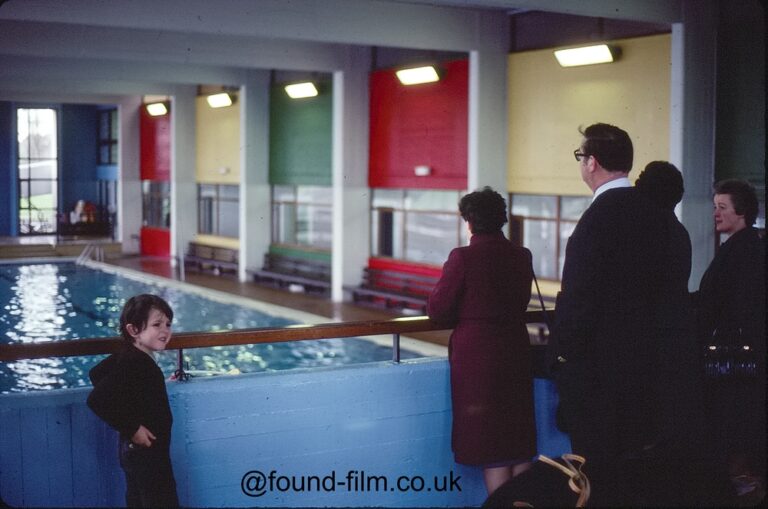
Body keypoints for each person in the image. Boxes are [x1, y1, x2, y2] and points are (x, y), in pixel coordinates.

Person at [548, 125, 697, 506]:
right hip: (652, 380)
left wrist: (561, 358)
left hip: (599, 385)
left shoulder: (595, 221)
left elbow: (577, 304)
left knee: (598, 482)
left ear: (591, 163)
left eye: (581, 157)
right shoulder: (666, 222)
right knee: (640, 481)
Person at [427, 187, 536, 495]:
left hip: (479, 359)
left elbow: (438, 309)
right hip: (515, 350)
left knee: (493, 447)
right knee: (517, 441)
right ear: (501, 219)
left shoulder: (462, 257)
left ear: (469, 221)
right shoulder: (521, 255)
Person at [694, 179, 766, 502]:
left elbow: (732, 304)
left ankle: (745, 485)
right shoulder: (745, 245)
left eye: (722, 208)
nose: (715, 214)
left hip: (734, 358)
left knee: (732, 428)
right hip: (737, 355)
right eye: (715, 207)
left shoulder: (743, 249)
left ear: (742, 212)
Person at [87, 294, 180, 507]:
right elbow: (97, 399)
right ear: (133, 330)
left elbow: (96, 373)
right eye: (157, 325)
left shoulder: (131, 355)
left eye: (168, 324)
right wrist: (133, 428)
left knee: (139, 500)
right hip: (148, 453)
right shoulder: (136, 363)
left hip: (136, 451)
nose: (165, 330)